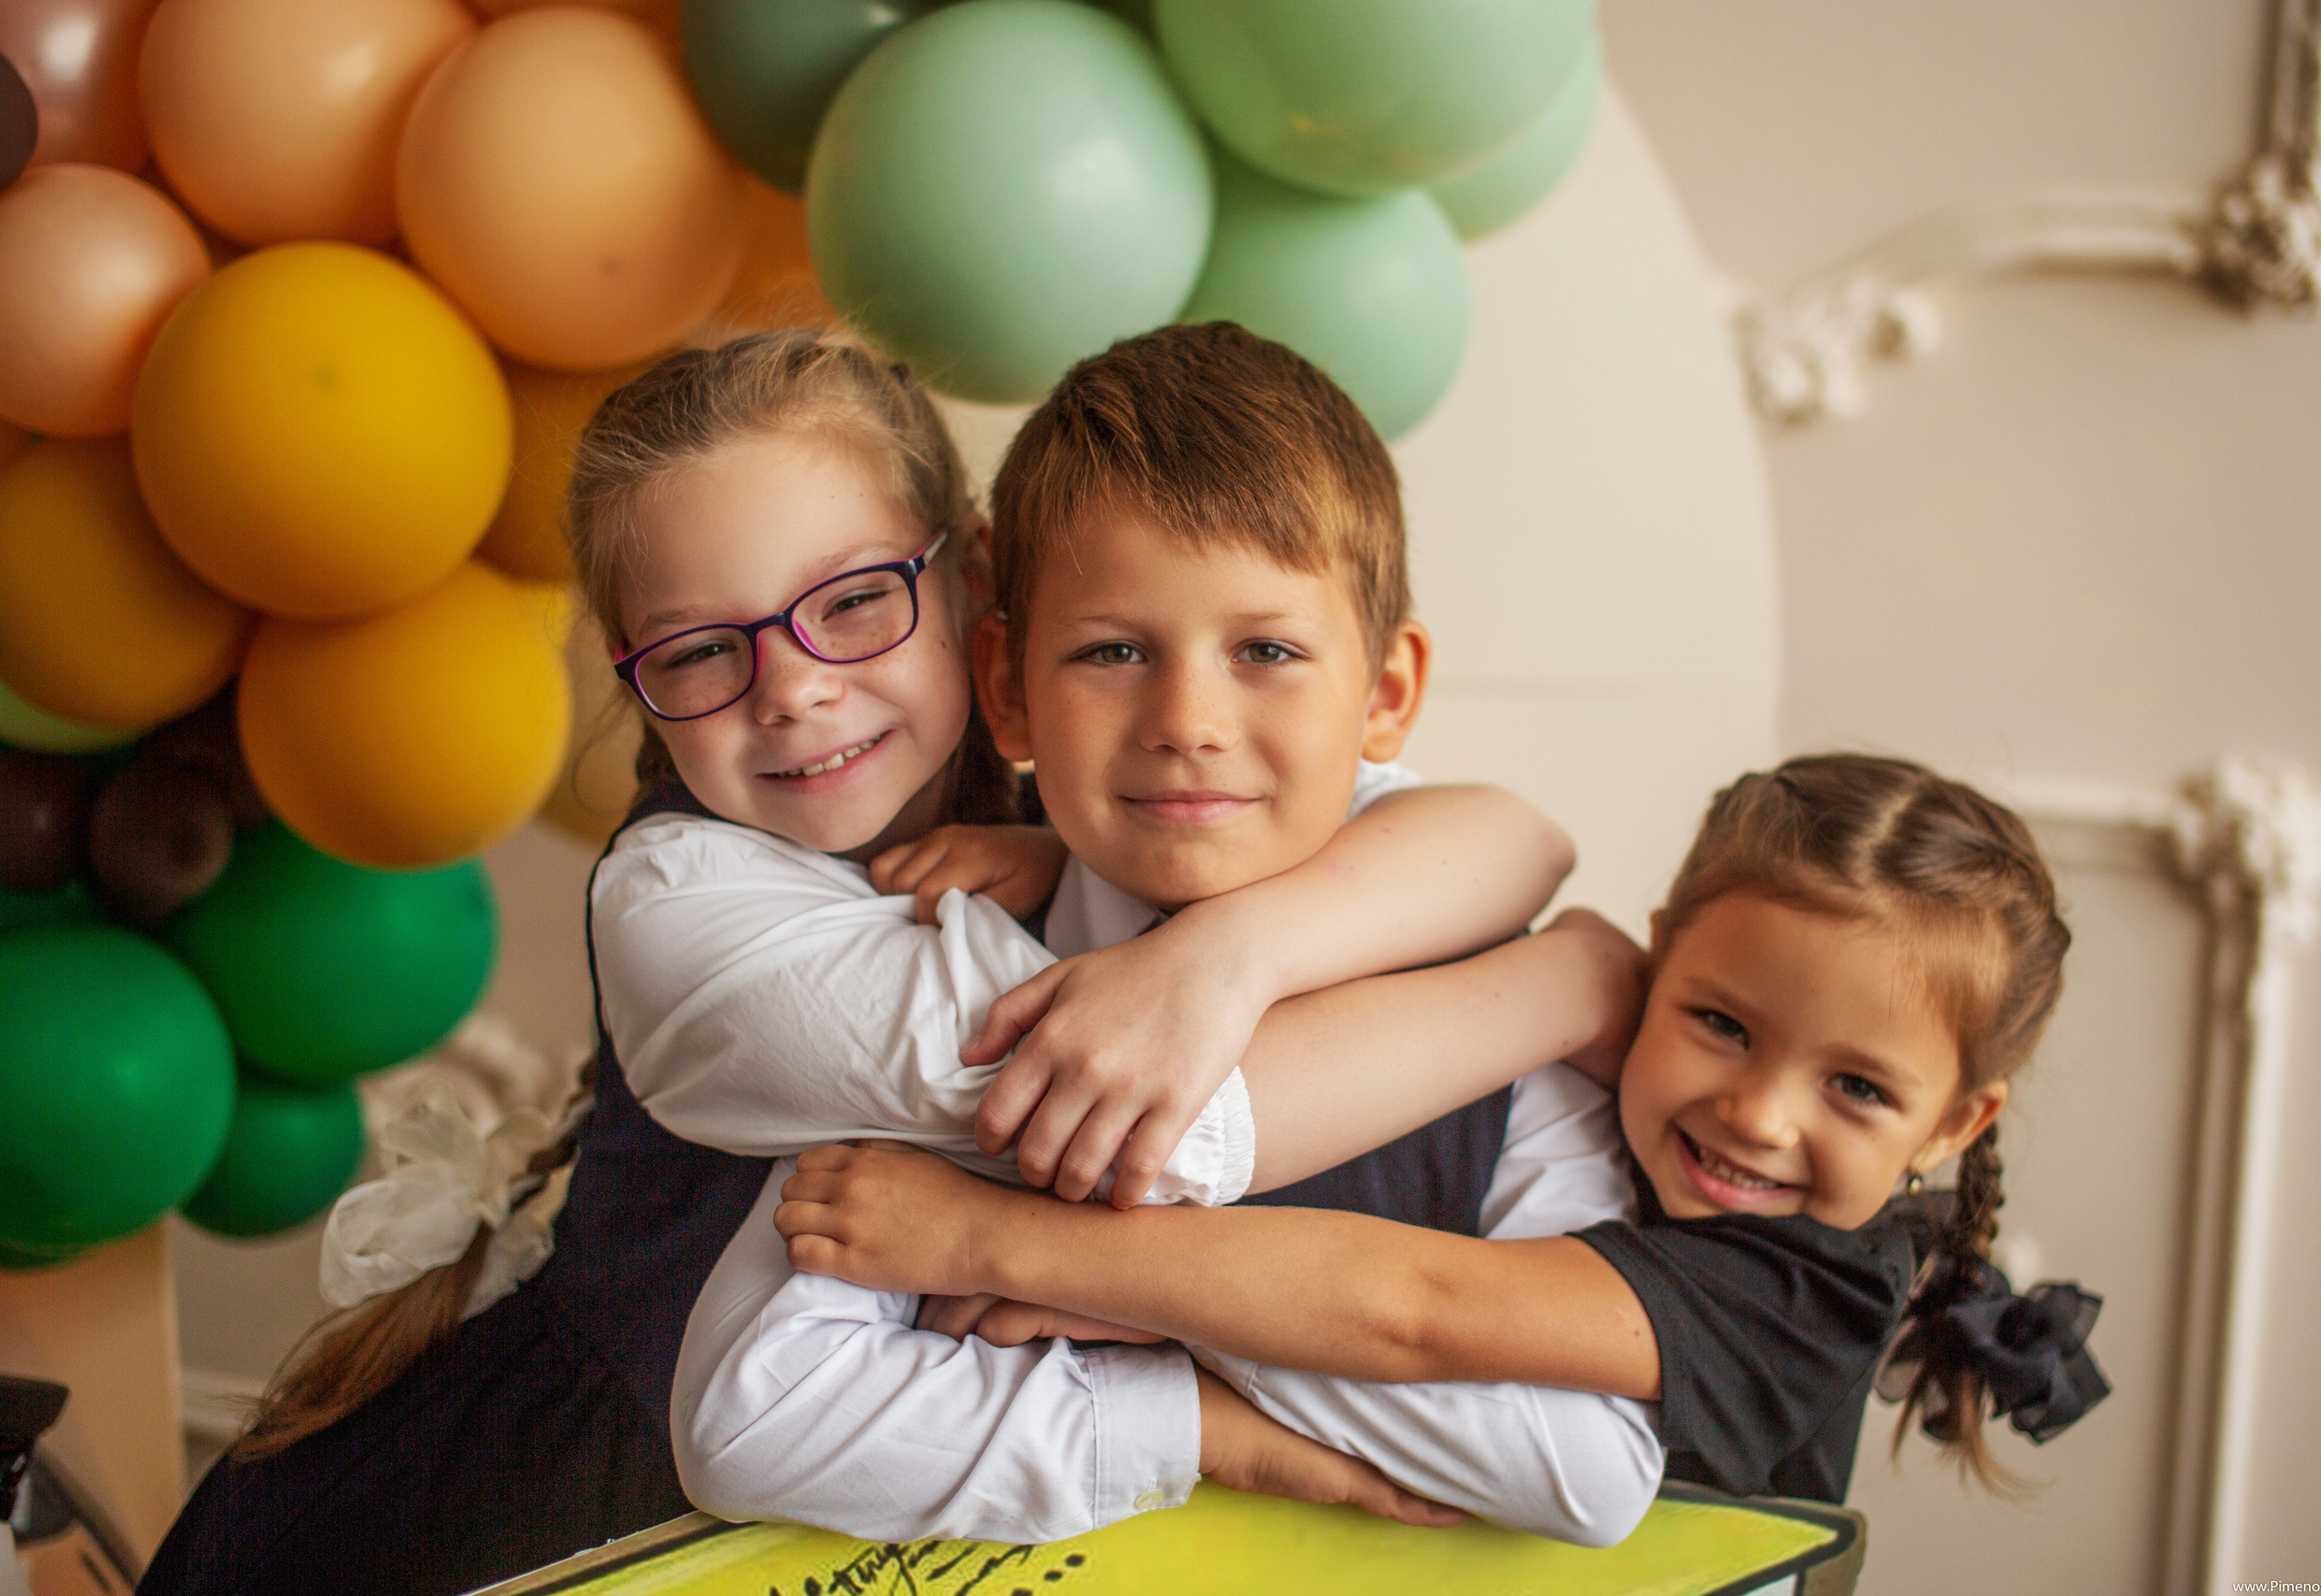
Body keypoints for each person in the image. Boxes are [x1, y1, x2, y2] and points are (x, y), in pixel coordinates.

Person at [139, 328, 1640, 1596]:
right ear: (636, 687)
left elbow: (1491, 832)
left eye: (856, 601)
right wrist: (1558, 987)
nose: (795, 693)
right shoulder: (685, 900)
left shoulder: (1091, 805)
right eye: (699, 652)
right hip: (559, 1526)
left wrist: (1232, 931)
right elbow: (1155, 1109)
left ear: (977, 604)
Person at [651, 324, 1665, 1546]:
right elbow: (757, 1419)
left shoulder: (1503, 1012)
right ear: (1011, 685)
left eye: (1267, 652)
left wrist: (1135, 1295)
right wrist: (1189, 1413)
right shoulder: (955, 972)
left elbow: (1590, 1467)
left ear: (1387, 692)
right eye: (1114, 651)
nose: (1189, 719)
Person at [777, 754, 2115, 1504]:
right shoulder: (1613, 1039)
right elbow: (1396, 918)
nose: (1756, 1114)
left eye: (1860, 1091)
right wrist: (1082, 874)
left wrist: (1002, 1242)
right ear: (1661, 963)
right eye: (1720, 1024)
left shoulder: (1809, 1279)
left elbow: (1414, 1310)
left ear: (1956, 1123)